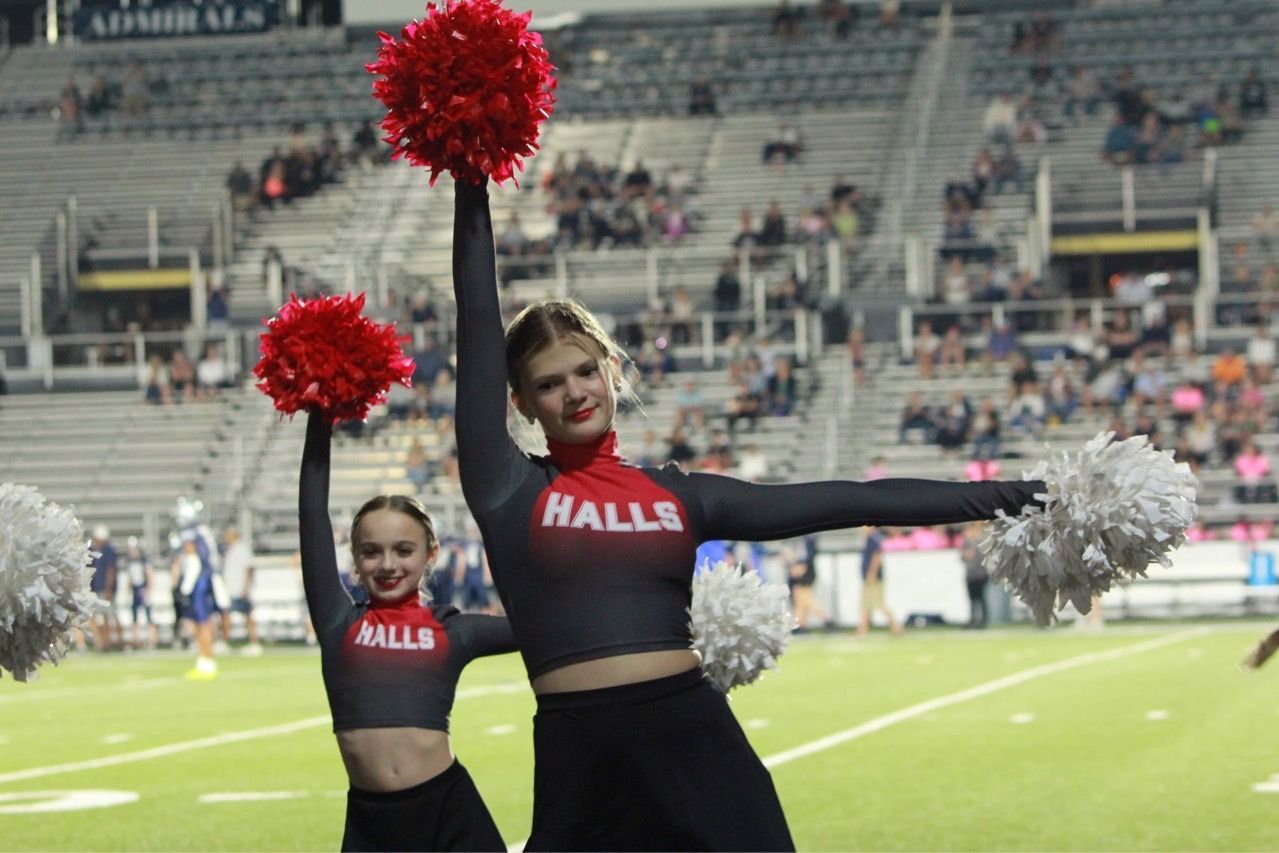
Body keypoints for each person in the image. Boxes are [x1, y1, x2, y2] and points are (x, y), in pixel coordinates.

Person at [450, 179, 1044, 849]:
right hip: (580, 756)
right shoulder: (508, 489)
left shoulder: (680, 495)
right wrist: (472, 168)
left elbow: (856, 499)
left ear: (612, 370)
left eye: (584, 370)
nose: (573, 392)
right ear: (521, 403)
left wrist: (1015, 495)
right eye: (548, 383)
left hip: (698, 744)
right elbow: (476, 311)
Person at [299, 410, 518, 850]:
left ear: (430, 554)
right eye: (371, 552)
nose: (388, 564)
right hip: (371, 822)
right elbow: (311, 516)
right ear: (355, 560)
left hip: (449, 811)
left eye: (403, 550)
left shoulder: (452, 630)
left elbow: (546, 626)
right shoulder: (338, 622)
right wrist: (320, 416)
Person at [220, 525, 262, 655]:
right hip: (229, 589)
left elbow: (249, 569)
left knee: (247, 615)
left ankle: (254, 643)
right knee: (225, 615)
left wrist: (246, 588)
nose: (226, 538)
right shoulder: (230, 550)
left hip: (239, 589)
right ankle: (225, 641)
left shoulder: (242, 549)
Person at [857, 526, 901, 636]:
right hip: (868, 577)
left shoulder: (873, 539)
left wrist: (872, 573)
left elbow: (877, 557)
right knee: (866, 605)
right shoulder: (868, 539)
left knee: (879, 604)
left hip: (874, 578)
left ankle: (896, 627)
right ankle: (862, 630)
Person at [122, 537, 158, 650]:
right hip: (135, 590)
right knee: (134, 617)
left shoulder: (144, 561)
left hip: (143, 589)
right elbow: (130, 578)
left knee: (148, 617)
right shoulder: (130, 561)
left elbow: (149, 575)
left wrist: (148, 590)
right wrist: (127, 590)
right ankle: (136, 641)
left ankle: (152, 641)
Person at [89, 526, 121, 652]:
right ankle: (101, 643)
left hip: (104, 589)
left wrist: (108, 588)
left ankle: (108, 643)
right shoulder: (96, 550)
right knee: (98, 617)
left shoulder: (108, 551)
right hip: (97, 588)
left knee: (107, 617)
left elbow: (111, 570)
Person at [787, 535, 828, 631]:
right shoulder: (807, 539)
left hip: (805, 574)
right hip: (806, 572)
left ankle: (827, 621)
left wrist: (800, 568)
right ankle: (800, 624)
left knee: (806, 600)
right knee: (800, 601)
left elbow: (807, 558)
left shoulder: (807, 540)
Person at [960, 522, 989, 629]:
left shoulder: (981, 540)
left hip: (981, 573)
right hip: (971, 573)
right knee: (972, 599)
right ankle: (973, 620)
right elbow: (963, 557)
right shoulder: (967, 543)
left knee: (980, 598)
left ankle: (982, 621)